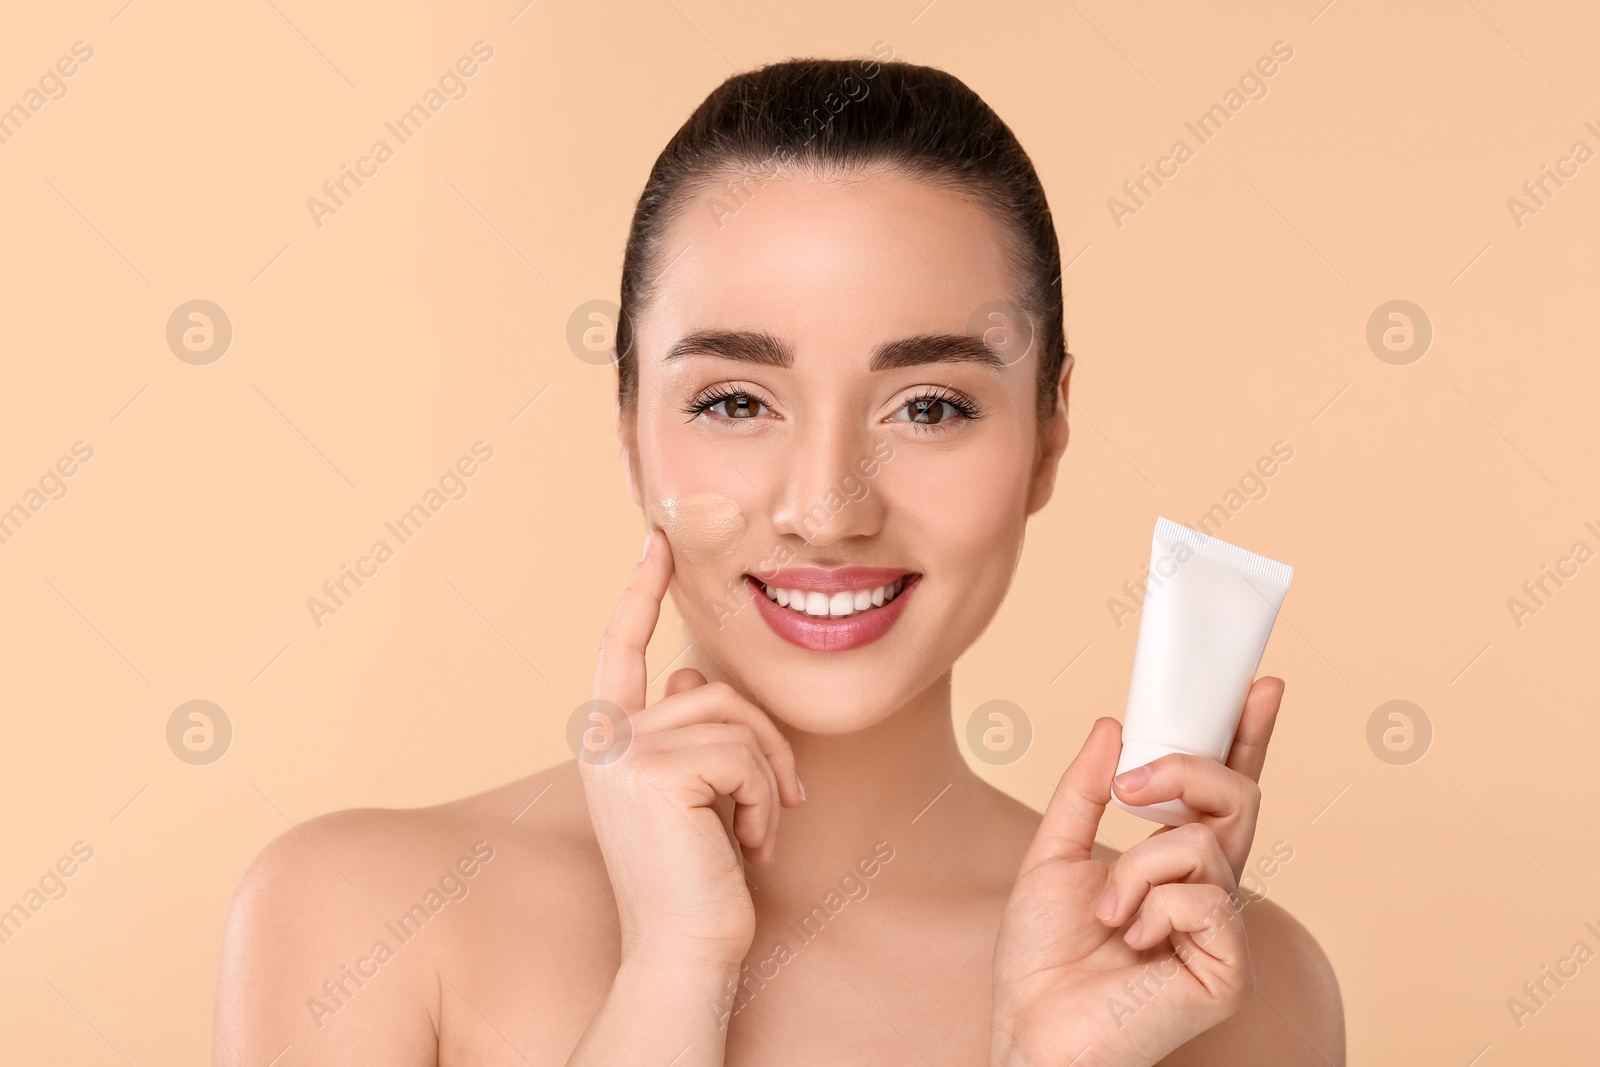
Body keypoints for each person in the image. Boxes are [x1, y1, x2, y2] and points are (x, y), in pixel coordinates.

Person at [213, 57, 1343, 1065]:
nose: (823, 508)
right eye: (738, 400)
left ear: (1048, 432)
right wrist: (671, 976)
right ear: (626, 425)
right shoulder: (366, 920)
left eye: (931, 404)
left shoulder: (1219, 991)